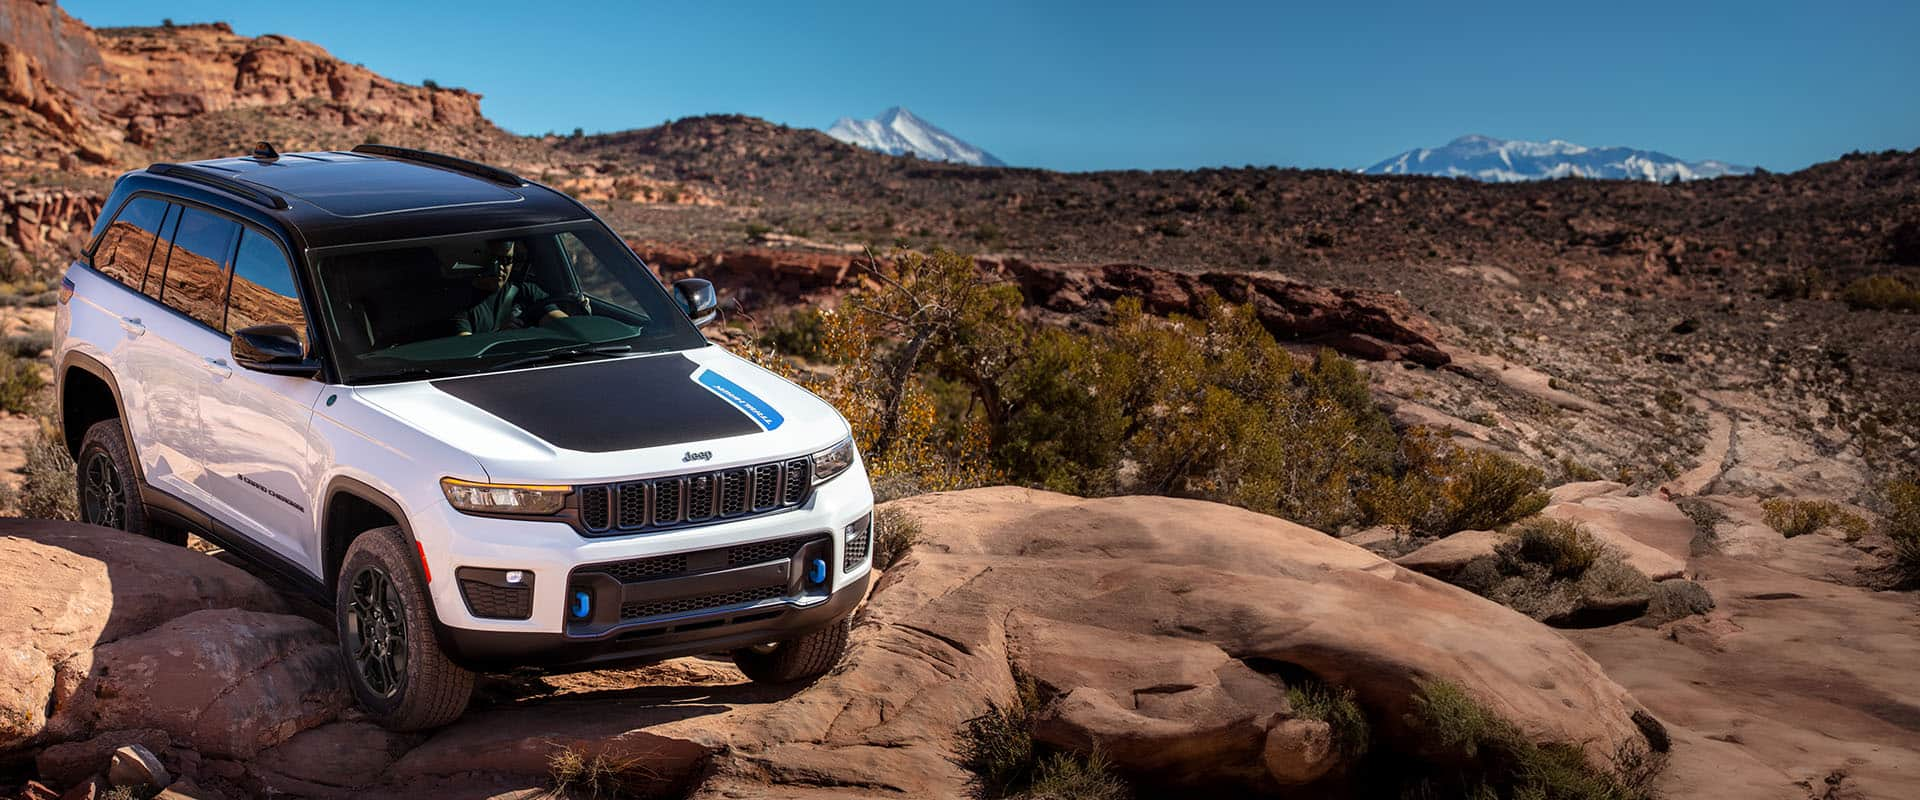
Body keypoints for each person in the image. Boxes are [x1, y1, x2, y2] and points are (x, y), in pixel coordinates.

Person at [451, 240, 569, 335]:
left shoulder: (525, 291)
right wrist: (500, 336)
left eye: (507, 260)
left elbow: (562, 324)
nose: (500, 267)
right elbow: (467, 349)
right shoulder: (459, 303)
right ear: (477, 258)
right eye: (493, 260)